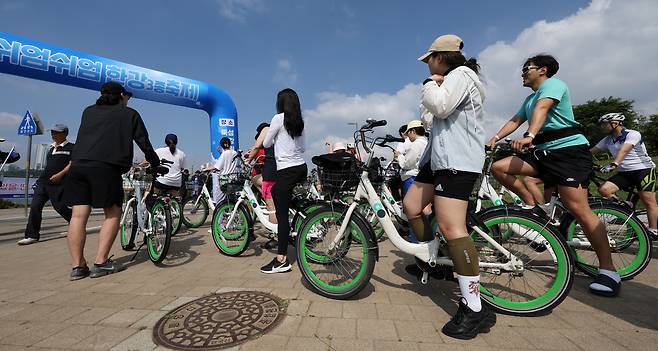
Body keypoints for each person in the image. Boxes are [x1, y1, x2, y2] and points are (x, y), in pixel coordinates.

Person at [487, 54, 620, 297]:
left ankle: (609, 271)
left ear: (543, 70)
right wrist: (494, 139)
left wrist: (530, 135)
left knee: (578, 208)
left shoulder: (553, 86)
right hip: (543, 154)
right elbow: (515, 119)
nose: (523, 72)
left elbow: (543, 108)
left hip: (568, 152)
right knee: (500, 167)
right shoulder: (528, 99)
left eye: (527, 68)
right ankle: (533, 206)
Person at [406, 34, 495, 339]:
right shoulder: (451, 80)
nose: (426, 65)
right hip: (437, 160)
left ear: (440, 57)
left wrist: (430, 84)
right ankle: (435, 261)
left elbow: (440, 108)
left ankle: (475, 308)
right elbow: (431, 119)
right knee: (411, 207)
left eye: (428, 59)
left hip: (457, 161)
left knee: (452, 227)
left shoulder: (462, 75)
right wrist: (432, 91)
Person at [64, 82, 160, 280]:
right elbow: (143, 141)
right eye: (127, 97)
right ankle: (101, 262)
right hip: (106, 167)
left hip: (78, 165)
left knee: (78, 215)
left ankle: (78, 266)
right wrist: (155, 162)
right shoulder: (129, 113)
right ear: (122, 96)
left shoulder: (88, 111)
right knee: (113, 212)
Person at [260, 88, 306, 274]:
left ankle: (282, 260)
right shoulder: (301, 122)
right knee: (283, 198)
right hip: (301, 167)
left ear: (280, 103)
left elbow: (266, 143)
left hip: (286, 169)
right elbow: (302, 148)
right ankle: (307, 216)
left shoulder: (278, 118)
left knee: (281, 214)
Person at [591, 112, 658, 238]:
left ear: (616, 123)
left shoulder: (633, 134)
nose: (602, 127)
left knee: (648, 200)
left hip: (643, 170)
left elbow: (624, 150)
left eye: (604, 124)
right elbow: (592, 151)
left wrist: (614, 164)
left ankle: (654, 229)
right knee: (604, 189)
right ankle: (625, 207)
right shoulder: (608, 140)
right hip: (625, 172)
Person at [18, 124, 73, 245]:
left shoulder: (71, 147)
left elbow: (73, 163)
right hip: (43, 182)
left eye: (56, 132)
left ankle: (75, 222)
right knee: (35, 207)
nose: (53, 135)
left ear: (65, 134)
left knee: (59, 207)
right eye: (52, 132)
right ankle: (32, 235)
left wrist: (60, 174)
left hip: (58, 183)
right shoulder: (51, 148)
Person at [247, 122, 278, 250]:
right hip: (282, 171)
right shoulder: (277, 138)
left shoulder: (266, 133)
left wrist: (247, 160)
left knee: (271, 207)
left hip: (269, 174)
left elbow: (255, 150)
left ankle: (276, 237)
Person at [210, 137, 239, 204]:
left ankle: (219, 212)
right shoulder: (234, 152)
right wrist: (221, 153)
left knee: (219, 199)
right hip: (233, 178)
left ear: (224, 145)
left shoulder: (225, 153)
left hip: (225, 179)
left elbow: (217, 167)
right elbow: (228, 160)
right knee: (231, 197)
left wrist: (205, 169)